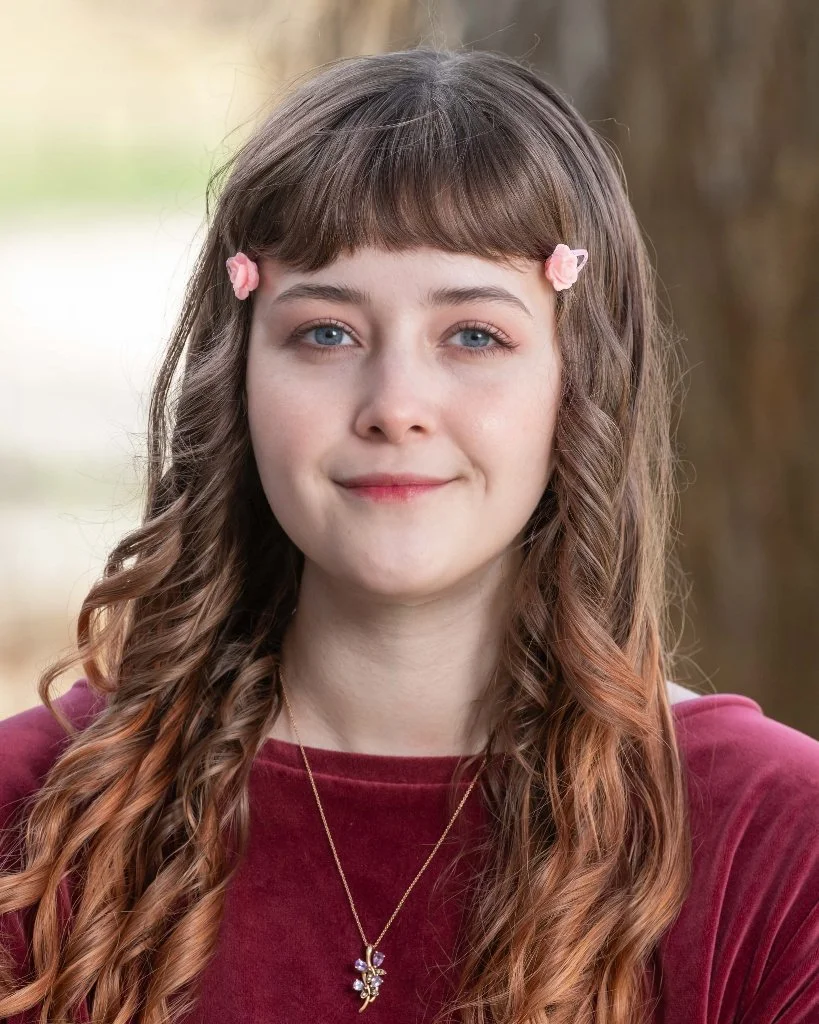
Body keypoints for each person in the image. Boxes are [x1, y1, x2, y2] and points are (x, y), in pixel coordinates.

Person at [0, 46, 817, 1024]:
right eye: (326, 333)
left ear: (579, 382)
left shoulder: (776, 841)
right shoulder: (33, 817)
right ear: (239, 376)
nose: (394, 406)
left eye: (473, 335)